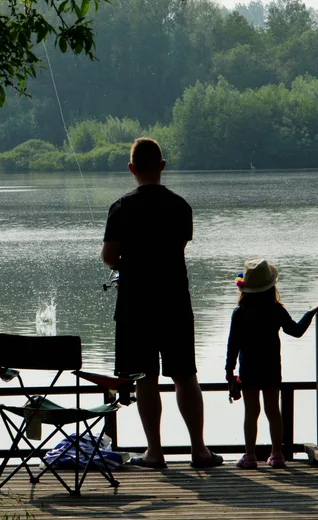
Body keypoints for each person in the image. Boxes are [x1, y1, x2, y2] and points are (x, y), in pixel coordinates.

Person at [101, 137, 222, 469]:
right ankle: (199, 450)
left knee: (146, 378)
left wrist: (125, 262)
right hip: (175, 302)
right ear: (163, 166)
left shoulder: (121, 207)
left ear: (131, 169)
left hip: (135, 304)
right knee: (185, 376)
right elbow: (176, 248)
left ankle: (155, 453)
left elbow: (110, 257)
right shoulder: (181, 206)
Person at [225, 258, 318, 469]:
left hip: (249, 369)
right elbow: (295, 331)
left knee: (251, 412)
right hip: (271, 367)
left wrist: (229, 371)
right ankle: (277, 454)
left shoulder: (240, 312)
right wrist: (310, 312)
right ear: (271, 286)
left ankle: (250, 456)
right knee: (273, 410)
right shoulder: (275, 309)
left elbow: (233, 345)